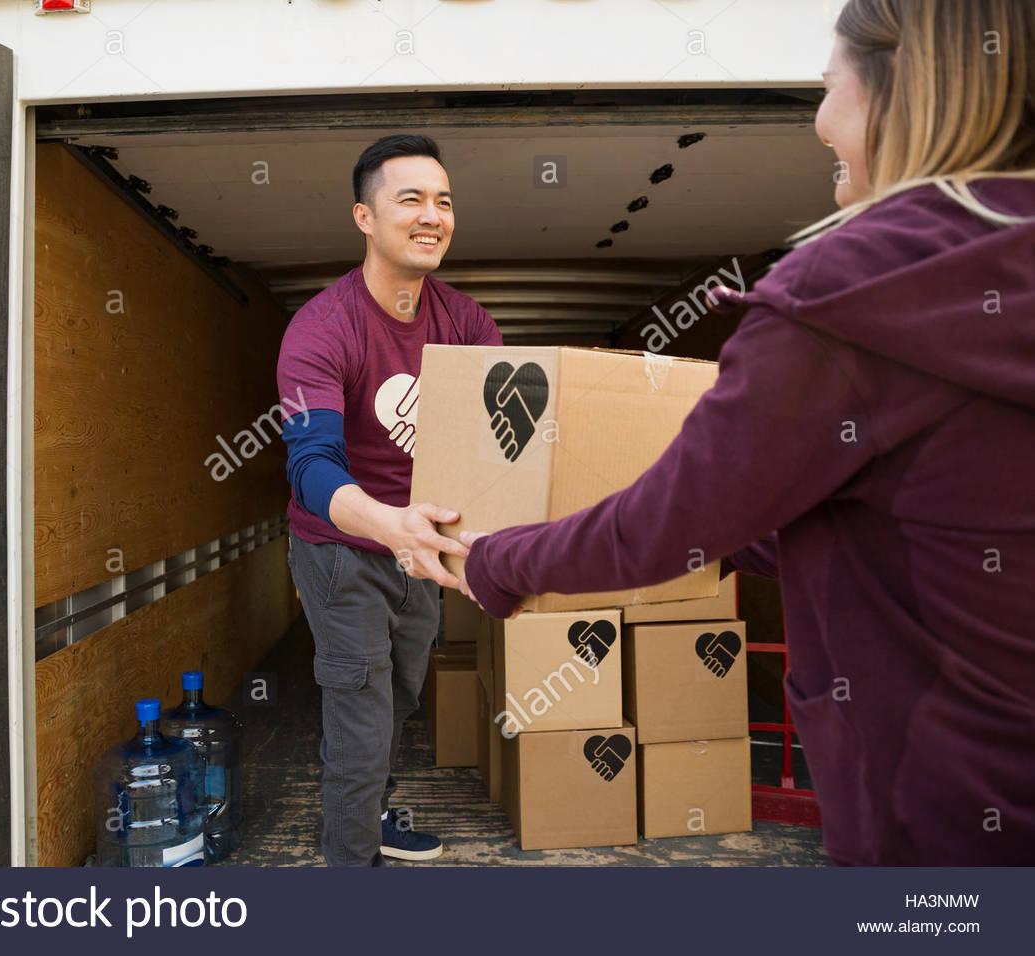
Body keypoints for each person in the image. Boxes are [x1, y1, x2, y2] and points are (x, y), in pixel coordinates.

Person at [460, 0, 1035, 866]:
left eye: (827, 87)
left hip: (944, 820)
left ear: (899, 91)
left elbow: (660, 528)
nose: (818, 122)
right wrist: (737, 537)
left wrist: (493, 561)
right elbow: (926, 513)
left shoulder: (849, 291)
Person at [278, 134, 503, 866]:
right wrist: (391, 527)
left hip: (419, 548)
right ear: (365, 218)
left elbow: (495, 448)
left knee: (402, 693)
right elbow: (311, 466)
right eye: (410, 199)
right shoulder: (321, 328)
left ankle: (372, 815)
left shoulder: (468, 324)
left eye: (444, 200)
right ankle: (351, 867)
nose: (432, 214)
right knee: (362, 715)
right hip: (340, 548)